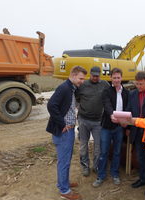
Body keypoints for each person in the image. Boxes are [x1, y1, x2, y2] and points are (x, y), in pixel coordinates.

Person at [46, 65, 87, 200]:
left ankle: (63, 183)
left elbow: (66, 105)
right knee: (64, 162)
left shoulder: (71, 88)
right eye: (80, 78)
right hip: (64, 132)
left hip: (67, 131)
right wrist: (62, 124)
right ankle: (64, 191)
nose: (82, 81)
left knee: (66, 160)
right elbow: (51, 105)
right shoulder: (64, 88)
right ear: (73, 75)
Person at [92, 67, 130, 188]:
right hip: (107, 127)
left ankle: (115, 174)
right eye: (114, 78)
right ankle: (101, 176)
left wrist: (127, 124)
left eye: (118, 78)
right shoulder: (106, 91)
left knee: (117, 152)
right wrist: (111, 114)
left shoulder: (127, 93)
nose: (116, 80)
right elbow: (107, 105)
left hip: (120, 127)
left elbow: (128, 109)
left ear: (121, 78)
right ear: (110, 78)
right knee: (104, 152)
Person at [125, 71, 145, 196]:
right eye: (137, 84)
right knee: (141, 156)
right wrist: (126, 123)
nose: (138, 86)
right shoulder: (132, 94)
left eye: (141, 84)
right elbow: (129, 110)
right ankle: (143, 179)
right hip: (137, 130)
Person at [75, 66, 110, 177]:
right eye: (93, 75)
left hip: (98, 122)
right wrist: (77, 105)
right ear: (90, 74)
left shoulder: (105, 85)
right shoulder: (83, 85)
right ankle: (85, 166)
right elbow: (75, 97)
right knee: (83, 145)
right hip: (83, 119)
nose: (95, 78)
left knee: (98, 146)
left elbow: (110, 96)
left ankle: (96, 166)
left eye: (97, 76)